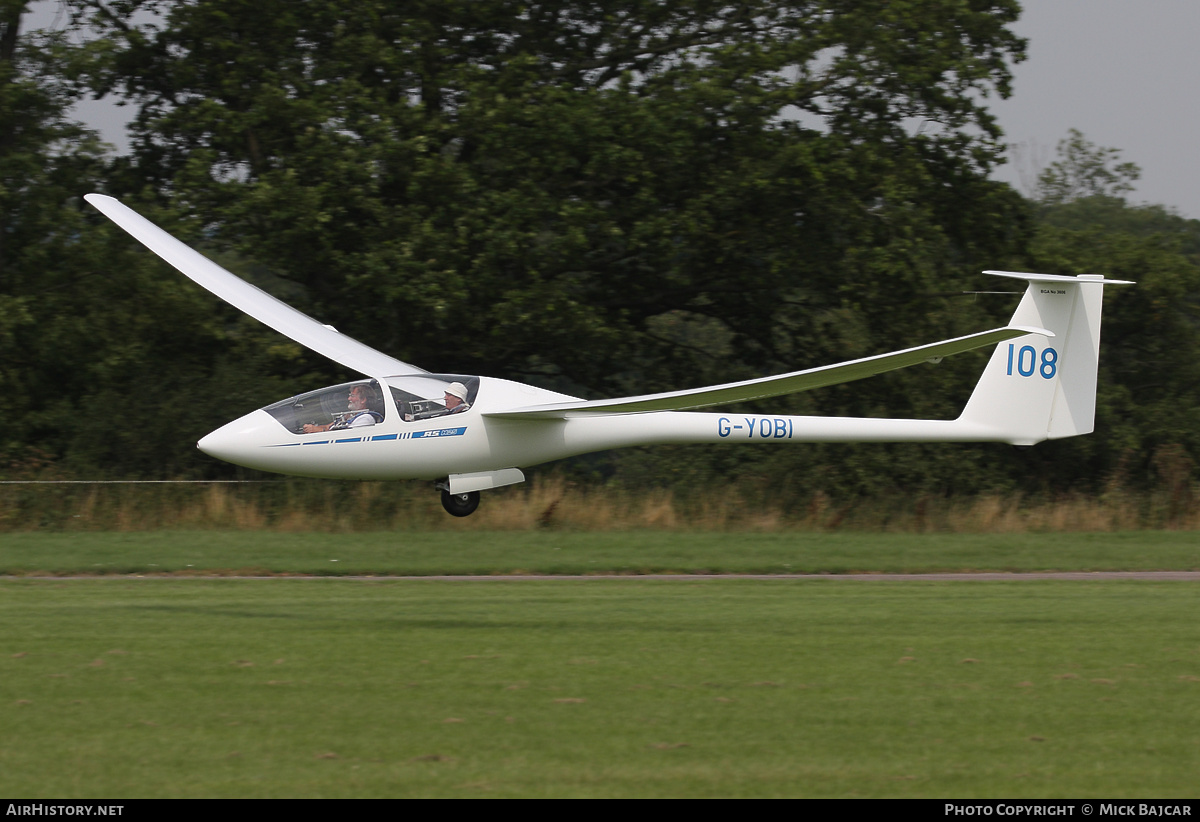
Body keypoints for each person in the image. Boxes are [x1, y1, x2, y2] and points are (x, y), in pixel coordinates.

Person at [302, 383, 383, 433]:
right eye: (349, 396)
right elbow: (328, 427)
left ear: (363, 400)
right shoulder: (349, 416)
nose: (349, 399)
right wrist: (312, 428)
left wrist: (317, 430)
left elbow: (348, 438)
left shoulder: (365, 419)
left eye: (352, 396)